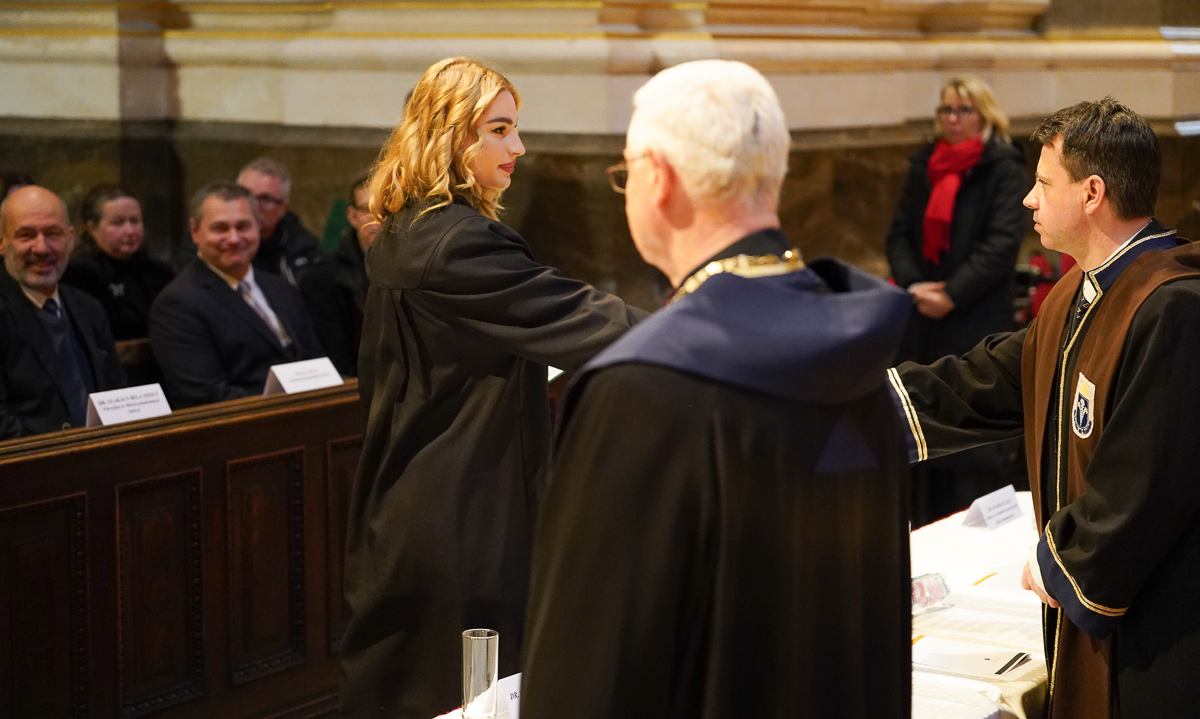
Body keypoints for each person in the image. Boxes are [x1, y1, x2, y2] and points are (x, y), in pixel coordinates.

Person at [518, 60, 912, 719]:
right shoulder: (858, 349)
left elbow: (588, 671)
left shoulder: (643, 388)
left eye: (625, 173)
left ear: (658, 177)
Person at [340, 57, 645, 719]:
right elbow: (582, 318)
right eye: (500, 130)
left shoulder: (408, 227)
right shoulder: (458, 242)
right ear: (452, 135)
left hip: (417, 490)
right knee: (471, 694)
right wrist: (707, 329)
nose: (519, 147)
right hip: (464, 507)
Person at [890, 98, 1200, 718]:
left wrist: (1063, 561)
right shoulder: (1079, 292)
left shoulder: (1173, 305)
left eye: (1042, 182)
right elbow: (987, 381)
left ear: (1092, 193)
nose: (1029, 199)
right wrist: (854, 405)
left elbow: (1147, 481)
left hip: (1160, 632)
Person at [885, 75, 1029, 525]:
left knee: (969, 439)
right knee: (923, 426)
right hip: (923, 318)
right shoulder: (925, 163)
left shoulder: (1003, 167)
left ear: (984, 115)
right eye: (946, 110)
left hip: (975, 317)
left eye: (963, 110)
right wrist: (915, 286)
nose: (952, 119)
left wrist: (952, 294)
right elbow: (899, 234)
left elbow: (1001, 245)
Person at [148, 181, 324, 408]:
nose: (234, 238)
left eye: (243, 226)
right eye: (220, 228)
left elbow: (317, 361)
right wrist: (287, 405)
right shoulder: (177, 304)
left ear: (258, 227)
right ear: (195, 232)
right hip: (248, 423)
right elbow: (204, 396)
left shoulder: (280, 287)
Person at [0, 186, 125, 437]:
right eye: (26, 235)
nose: (41, 248)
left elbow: (117, 395)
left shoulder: (88, 308)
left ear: (71, 239)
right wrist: (64, 450)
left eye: (52, 234)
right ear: (2, 242)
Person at [63, 184, 175, 341]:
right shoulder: (77, 274)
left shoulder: (159, 272)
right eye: (117, 223)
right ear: (92, 228)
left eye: (135, 221)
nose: (130, 231)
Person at [298, 174, 378, 376]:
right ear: (352, 216)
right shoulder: (322, 279)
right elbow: (337, 360)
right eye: (368, 210)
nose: (378, 218)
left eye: (387, 209)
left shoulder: (418, 266)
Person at [236, 157, 323, 286]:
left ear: (284, 207)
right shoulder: (215, 242)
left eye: (265, 199)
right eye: (246, 196)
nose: (253, 206)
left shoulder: (304, 249)